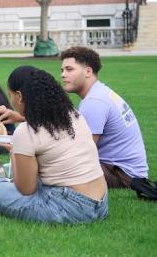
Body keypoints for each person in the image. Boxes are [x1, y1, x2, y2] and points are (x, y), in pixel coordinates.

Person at [0, 67, 108, 224]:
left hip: (66, 207)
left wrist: (15, 152)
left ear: (20, 96)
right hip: (100, 203)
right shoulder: (73, 114)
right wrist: (21, 117)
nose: (11, 101)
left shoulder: (25, 132)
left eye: (11, 95)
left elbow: (26, 189)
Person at [60, 46, 148, 189]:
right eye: (62, 70)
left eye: (69, 69)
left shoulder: (94, 101)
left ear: (88, 71)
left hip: (123, 176)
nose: (63, 75)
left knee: (53, 166)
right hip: (129, 172)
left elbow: (82, 149)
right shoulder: (100, 92)